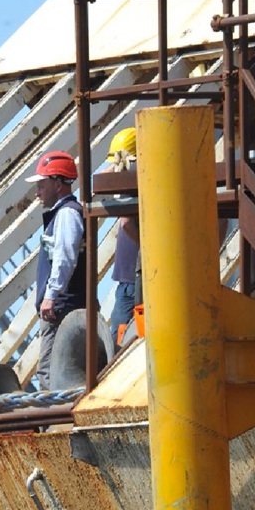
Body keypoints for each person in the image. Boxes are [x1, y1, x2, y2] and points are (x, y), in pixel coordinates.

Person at [26, 150, 86, 390]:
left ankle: (55, 423)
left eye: (42, 184)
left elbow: (65, 258)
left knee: (50, 372)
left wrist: (51, 296)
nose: (37, 192)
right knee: (54, 372)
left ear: (59, 185)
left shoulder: (67, 214)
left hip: (61, 308)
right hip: (62, 306)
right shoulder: (64, 213)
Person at [105, 128, 140, 347]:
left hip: (131, 277)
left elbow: (126, 223)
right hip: (132, 274)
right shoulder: (141, 175)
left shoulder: (131, 178)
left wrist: (145, 245)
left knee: (120, 341)